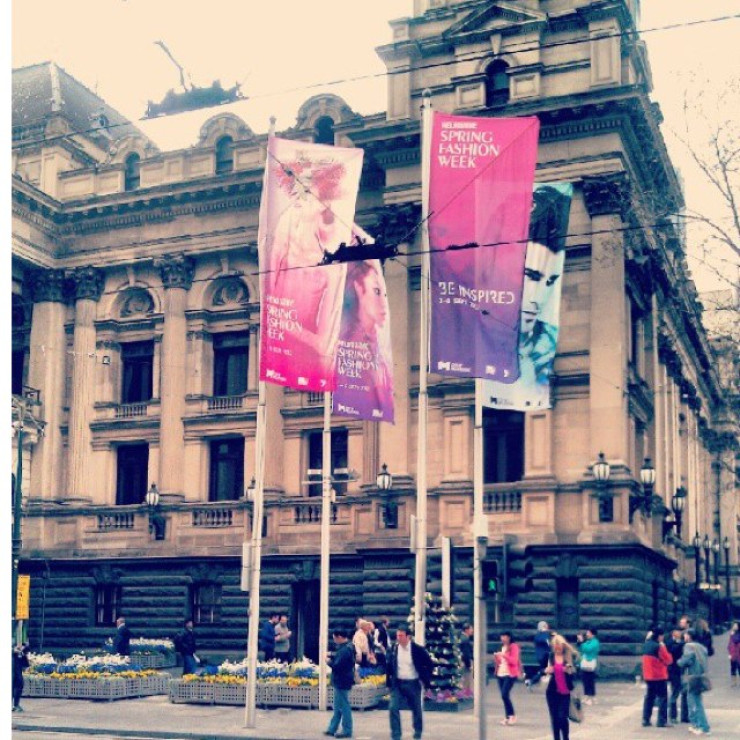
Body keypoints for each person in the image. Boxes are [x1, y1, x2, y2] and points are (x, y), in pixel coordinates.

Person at [386, 626, 433, 740]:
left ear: (408, 636)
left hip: (413, 683)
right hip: (397, 683)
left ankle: (418, 731)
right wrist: (388, 682)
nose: (398, 638)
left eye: (401, 636)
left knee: (416, 708)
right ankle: (396, 735)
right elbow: (389, 665)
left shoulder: (417, 649)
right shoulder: (394, 648)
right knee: (393, 707)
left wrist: (426, 679)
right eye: (397, 636)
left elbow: (429, 664)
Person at [544, 634, 578, 740]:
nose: (557, 649)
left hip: (565, 693)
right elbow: (546, 670)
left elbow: (574, 673)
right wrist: (547, 670)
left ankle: (566, 738)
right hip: (552, 692)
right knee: (554, 719)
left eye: (559, 646)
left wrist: (569, 671)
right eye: (555, 646)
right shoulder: (551, 656)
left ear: (563, 646)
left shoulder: (568, 656)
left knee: (562, 717)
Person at [678, 628, 711, 735]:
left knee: (693, 702)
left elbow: (685, 661)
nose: (684, 636)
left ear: (689, 636)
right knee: (698, 701)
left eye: (686, 635)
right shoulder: (702, 647)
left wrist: (678, 662)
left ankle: (701, 726)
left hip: (692, 677)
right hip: (701, 676)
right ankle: (698, 725)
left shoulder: (688, 646)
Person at [324, 628, 355, 738]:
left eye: (335, 638)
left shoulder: (345, 650)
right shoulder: (348, 647)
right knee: (337, 706)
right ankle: (332, 728)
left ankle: (347, 729)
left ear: (340, 637)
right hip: (343, 679)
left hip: (342, 680)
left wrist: (329, 662)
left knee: (344, 706)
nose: (335, 640)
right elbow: (339, 657)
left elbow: (338, 666)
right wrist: (332, 655)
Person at [641, 626, 673, 728]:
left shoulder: (646, 645)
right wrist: (663, 647)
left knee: (649, 698)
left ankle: (646, 719)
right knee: (663, 698)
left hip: (648, 676)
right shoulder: (659, 646)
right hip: (659, 676)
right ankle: (661, 721)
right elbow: (668, 660)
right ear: (659, 636)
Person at [493, 630, 522, 726]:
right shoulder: (502, 647)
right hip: (500, 673)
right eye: (501, 636)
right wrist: (497, 657)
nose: (502, 638)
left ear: (509, 637)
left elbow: (514, 661)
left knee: (504, 694)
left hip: (510, 674)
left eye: (504, 636)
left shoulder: (514, 647)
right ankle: (507, 717)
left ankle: (512, 715)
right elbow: (500, 662)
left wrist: (503, 655)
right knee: (504, 696)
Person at [665, 627, 686, 723]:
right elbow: (672, 650)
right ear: (673, 633)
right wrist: (681, 643)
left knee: (682, 692)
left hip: (681, 670)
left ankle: (684, 716)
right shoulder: (669, 642)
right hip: (673, 670)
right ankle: (673, 716)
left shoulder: (681, 642)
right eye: (678, 631)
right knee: (675, 692)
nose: (680, 633)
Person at [526, 621, 551, 689]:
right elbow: (548, 643)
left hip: (541, 656)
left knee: (544, 670)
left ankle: (531, 681)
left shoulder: (538, 635)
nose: (548, 627)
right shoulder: (545, 634)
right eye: (546, 625)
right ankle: (531, 681)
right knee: (545, 670)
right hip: (545, 656)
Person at [579, 628, 600, 705]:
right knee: (585, 680)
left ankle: (591, 697)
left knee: (590, 681)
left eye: (588, 633)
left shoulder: (595, 642)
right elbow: (581, 649)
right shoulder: (588, 641)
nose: (587, 634)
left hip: (590, 663)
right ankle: (587, 696)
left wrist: (581, 642)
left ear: (592, 634)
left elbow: (587, 649)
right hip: (584, 663)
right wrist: (580, 642)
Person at [12, 642, 30, 712]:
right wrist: (13, 650)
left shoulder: (21, 633)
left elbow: (27, 647)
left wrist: (24, 647)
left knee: (19, 683)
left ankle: (16, 704)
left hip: (17, 663)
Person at [459, 623, 474, 691]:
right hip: (465, 662)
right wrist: (469, 664)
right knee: (466, 679)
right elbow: (466, 653)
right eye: (471, 629)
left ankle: (466, 693)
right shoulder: (465, 640)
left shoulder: (462, 638)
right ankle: (465, 694)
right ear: (466, 630)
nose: (472, 630)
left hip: (463, 661)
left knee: (465, 679)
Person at [727, 620, 740, 687]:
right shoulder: (732, 633)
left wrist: (732, 635)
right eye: (733, 625)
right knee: (733, 668)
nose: (734, 626)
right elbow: (730, 644)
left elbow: (736, 640)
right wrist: (729, 652)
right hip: (733, 654)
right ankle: (733, 682)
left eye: (735, 625)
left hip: (738, 653)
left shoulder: (737, 634)